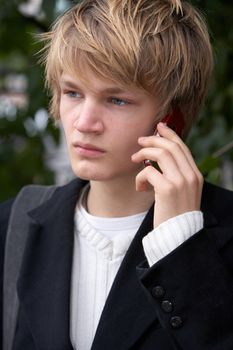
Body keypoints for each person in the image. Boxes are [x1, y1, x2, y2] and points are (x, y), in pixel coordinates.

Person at [1, 0, 233, 349]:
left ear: (173, 117)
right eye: (73, 93)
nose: (83, 123)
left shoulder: (223, 233)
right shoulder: (11, 225)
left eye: (117, 100)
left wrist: (180, 246)